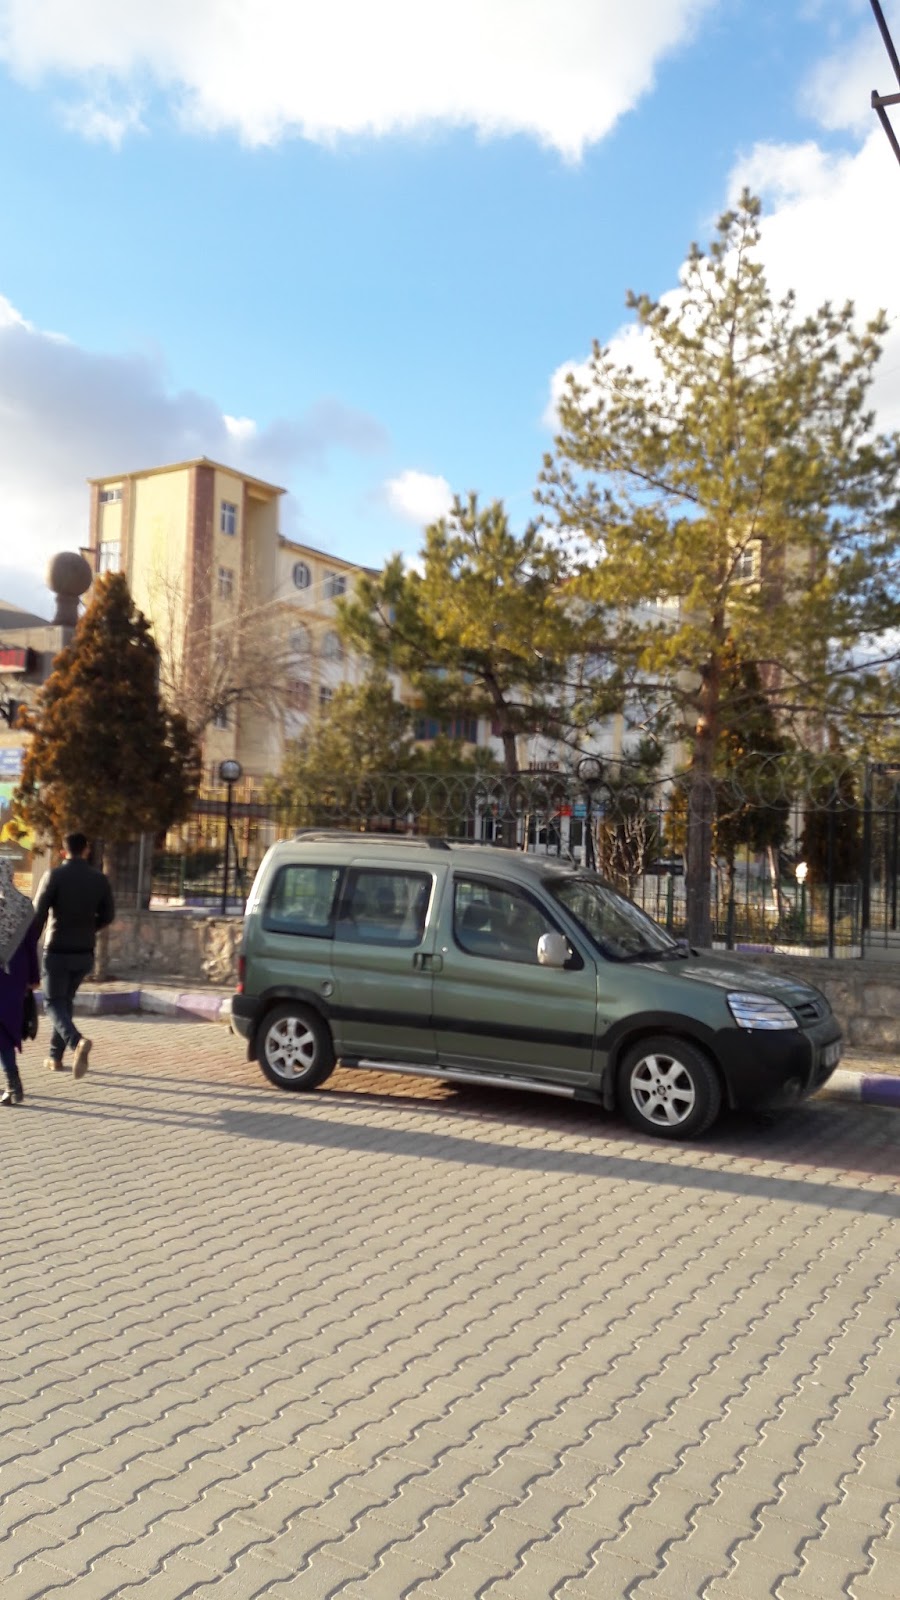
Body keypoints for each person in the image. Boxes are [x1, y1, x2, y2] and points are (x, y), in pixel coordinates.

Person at [33, 832, 115, 1080]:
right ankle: (54, 1057)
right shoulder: (99, 878)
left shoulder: (54, 875)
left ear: (62, 852)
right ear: (87, 850)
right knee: (64, 1001)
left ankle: (76, 1041)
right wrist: (90, 929)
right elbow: (108, 915)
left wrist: (29, 944)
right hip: (84, 953)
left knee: (52, 1002)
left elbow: (39, 914)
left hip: (57, 950)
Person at [0, 858, 39, 1106]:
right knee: (5, 1027)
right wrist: (33, 978)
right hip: (16, 973)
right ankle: (13, 1083)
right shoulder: (25, 905)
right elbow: (30, 944)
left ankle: (13, 1084)